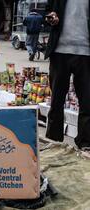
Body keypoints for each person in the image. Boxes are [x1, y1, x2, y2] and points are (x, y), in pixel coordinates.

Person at [45, 0, 90, 151]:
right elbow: (48, 12)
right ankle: (54, 139)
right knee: (57, 100)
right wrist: (51, 17)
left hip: (86, 54)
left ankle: (85, 142)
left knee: (87, 101)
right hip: (59, 52)